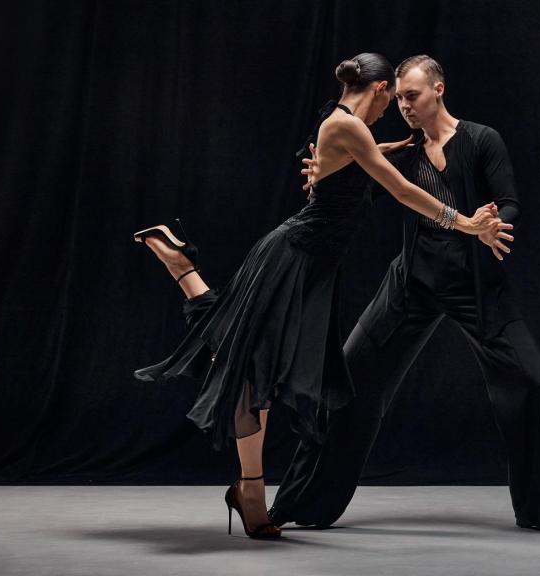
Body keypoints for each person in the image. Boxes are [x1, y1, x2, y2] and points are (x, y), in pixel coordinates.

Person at [132, 53, 508, 539]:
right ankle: (251, 492)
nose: (390, 110)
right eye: (389, 101)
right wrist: (466, 223)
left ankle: (183, 267)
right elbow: (400, 191)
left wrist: (386, 147)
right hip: (293, 258)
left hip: (309, 266)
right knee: (249, 368)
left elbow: (358, 167)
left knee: (246, 357)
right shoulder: (346, 126)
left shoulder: (347, 126)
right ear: (376, 90)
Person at [270, 55, 540, 533]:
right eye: (399, 98)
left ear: (438, 89)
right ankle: (304, 505)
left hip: (473, 287)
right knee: (347, 387)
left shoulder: (480, 139)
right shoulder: (404, 149)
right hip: (411, 283)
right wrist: (319, 170)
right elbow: (349, 179)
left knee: (532, 385)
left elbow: (511, 198)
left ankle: (537, 509)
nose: (404, 106)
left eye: (412, 96)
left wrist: (495, 220)